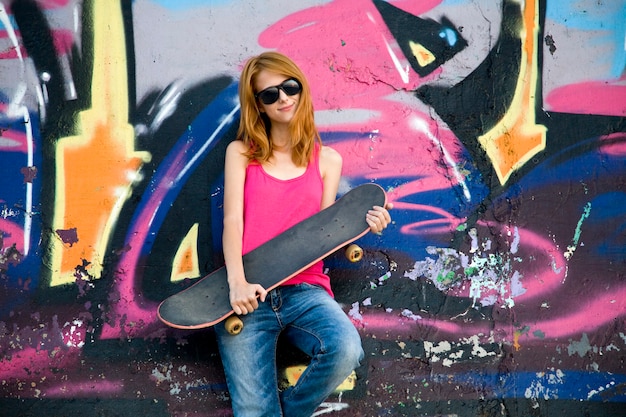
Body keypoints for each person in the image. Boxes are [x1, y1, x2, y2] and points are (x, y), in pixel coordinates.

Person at [215, 51, 392, 417]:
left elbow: (322, 234)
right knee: (252, 410)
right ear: (258, 106)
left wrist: (366, 224)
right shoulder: (241, 154)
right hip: (247, 296)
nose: (283, 98)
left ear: (301, 89)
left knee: (345, 349)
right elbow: (232, 221)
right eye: (270, 94)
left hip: (306, 292)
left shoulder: (327, 161)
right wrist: (237, 284)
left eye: (290, 87)